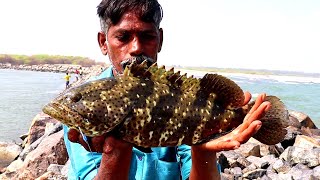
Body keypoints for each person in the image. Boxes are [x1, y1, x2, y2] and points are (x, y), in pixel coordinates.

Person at [63, 0, 271, 179]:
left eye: (147, 36)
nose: (136, 48)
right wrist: (115, 150)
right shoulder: (84, 106)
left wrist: (203, 151)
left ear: (160, 40)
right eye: (123, 37)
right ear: (103, 42)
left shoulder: (179, 95)